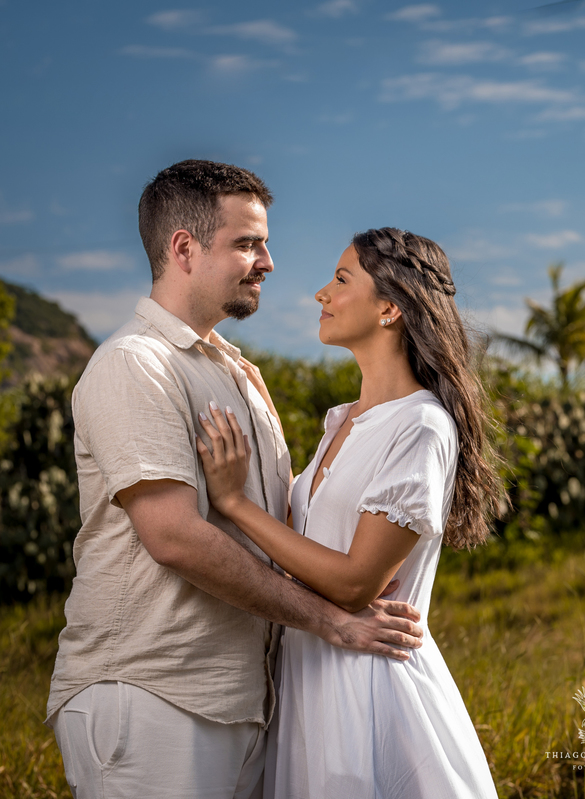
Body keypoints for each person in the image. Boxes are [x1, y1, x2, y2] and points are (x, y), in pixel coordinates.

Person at [47, 160, 425, 799]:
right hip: (152, 695)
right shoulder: (135, 365)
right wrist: (334, 620)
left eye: (265, 243)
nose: (268, 261)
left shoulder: (237, 372)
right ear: (184, 249)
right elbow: (175, 537)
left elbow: (274, 519)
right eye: (247, 243)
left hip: (242, 701)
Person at [195, 228, 506, 797]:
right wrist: (265, 422)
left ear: (390, 308)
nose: (322, 294)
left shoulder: (420, 425)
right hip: (309, 682)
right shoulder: (344, 422)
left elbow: (356, 581)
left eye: (341, 280)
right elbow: (303, 544)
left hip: (368, 693)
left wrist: (234, 502)